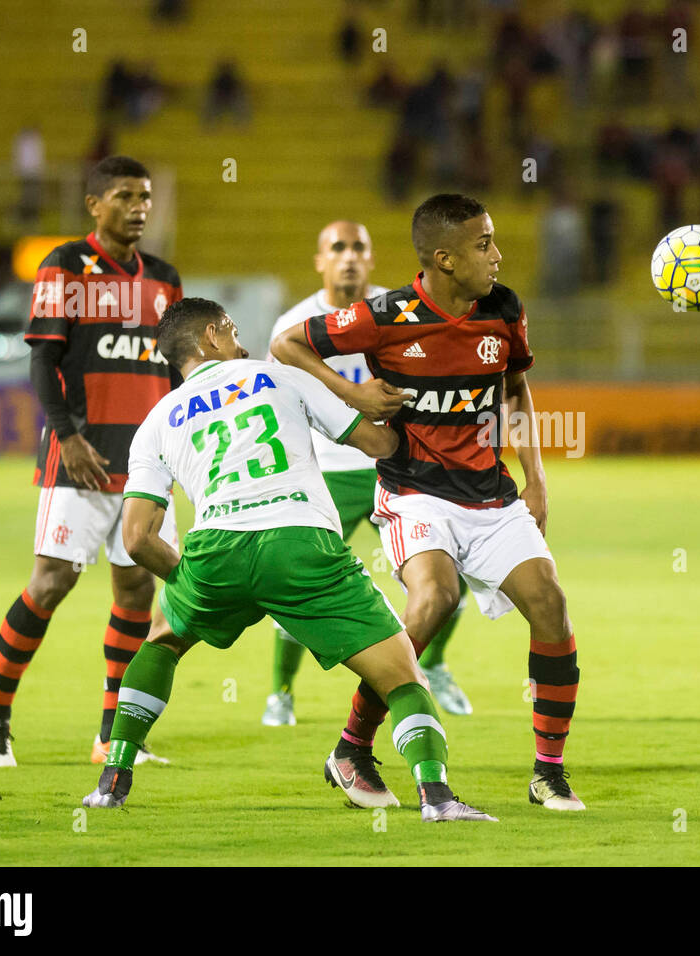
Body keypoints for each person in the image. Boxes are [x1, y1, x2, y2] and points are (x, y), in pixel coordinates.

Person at [80, 297, 495, 823]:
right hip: (302, 546)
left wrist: (190, 581)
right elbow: (377, 443)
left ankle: (112, 780)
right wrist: (410, 414)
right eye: (231, 329)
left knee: (163, 638)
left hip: (215, 550)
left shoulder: (156, 421)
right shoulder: (279, 377)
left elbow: (138, 538)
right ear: (211, 336)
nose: (241, 339)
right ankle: (437, 798)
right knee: (403, 674)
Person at [272, 194, 585, 812]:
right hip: (414, 492)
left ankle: (547, 771)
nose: (497, 255)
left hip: (490, 495)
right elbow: (287, 345)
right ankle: (352, 747)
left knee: (551, 605)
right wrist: (352, 391)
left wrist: (537, 476)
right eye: (484, 244)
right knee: (434, 599)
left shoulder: (503, 309)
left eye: (493, 241)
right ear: (445, 259)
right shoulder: (384, 316)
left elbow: (516, 388)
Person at [0, 156, 182, 769]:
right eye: (124, 196)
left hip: (145, 464)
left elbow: (171, 372)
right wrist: (65, 435)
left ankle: (111, 735)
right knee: (50, 583)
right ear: (94, 204)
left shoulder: (164, 278)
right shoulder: (65, 266)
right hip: (82, 457)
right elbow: (42, 358)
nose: (139, 206)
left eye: (144, 196)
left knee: (136, 589)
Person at [261, 221, 472, 727]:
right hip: (327, 472)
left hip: (398, 467)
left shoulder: (398, 311)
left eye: (359, 247)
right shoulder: (293, 326)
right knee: (301, 581)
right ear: (320, 261)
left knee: (451, 582)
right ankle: (281, 694)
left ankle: (433, 662)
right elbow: (281, 405)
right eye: (338, 247)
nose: (349, 257)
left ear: (372, 259)